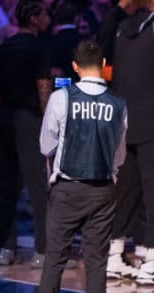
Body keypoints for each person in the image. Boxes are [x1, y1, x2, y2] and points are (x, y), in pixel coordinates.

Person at [39, 40, 127, 292]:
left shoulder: (60, 98)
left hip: (67, 189)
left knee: (54, 260)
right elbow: (118, 155)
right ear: (102, 64)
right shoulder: (119, 104)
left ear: (74, 66)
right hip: (102, 190)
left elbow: (46, 146)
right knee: (97, 262)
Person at [0, 1, 52, 268]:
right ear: (34, 18)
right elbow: (43, 90)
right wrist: (49, 122)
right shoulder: (39, 48)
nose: (47, 18)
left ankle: (5, 250)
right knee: (37, 185)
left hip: (4, 116)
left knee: (8, 185)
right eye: (44, 14)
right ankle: (43, 251)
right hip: (29, 120)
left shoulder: (3, 48)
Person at [108, 0, 154, 284]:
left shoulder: (122, 29)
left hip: (124, 121)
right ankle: (150, 260)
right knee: (152, 193)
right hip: (151, 122)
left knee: (125, 193)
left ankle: (113, 257)